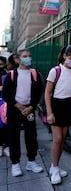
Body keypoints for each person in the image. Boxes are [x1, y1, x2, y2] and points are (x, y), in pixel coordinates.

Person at [2, 49, 44, 177]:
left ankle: (31, 162)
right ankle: (15, 163)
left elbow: (38, 92)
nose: (28, 58)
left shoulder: (35, 74)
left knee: (31, 135)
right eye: (25, 56)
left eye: (29, 56)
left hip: (29, 109)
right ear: (18, 59)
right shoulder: (12, 75)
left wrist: (31, 106)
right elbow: (6, 94)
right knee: (13, 136)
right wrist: (18, 105)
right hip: (14, 109)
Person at [44, 45, 71, 184]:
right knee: (57, 139)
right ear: (64, 56)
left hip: (69, 105)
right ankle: (54, 167)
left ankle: (56, 166)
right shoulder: (56, 71)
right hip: (56, 105)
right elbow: (47, 92)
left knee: (63, 139)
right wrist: (50, 112)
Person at [0, 56, 8, 157]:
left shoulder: (8, 75)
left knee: (5, 124)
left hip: (5, 103)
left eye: (1, 64)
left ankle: (6, 145)